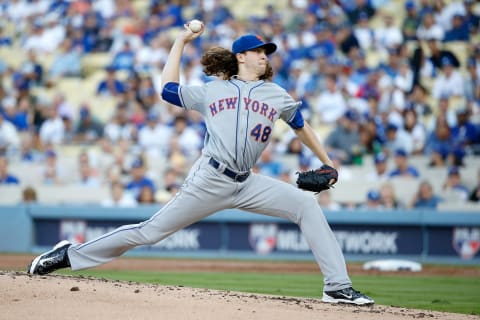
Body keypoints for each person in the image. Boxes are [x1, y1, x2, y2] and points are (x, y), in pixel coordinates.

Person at [27, 27, 374, 305]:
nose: (265, 56)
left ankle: (337, 287)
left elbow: (302, 126)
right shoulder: (214, 90)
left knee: (305, 206)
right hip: (210, 179)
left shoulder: (277, 94)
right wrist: (179, 41)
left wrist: (327, 163)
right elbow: (168, 89)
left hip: (247, 182)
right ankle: (68, 255)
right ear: (241, 57)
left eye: (267, 52)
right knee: (150, 232)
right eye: (259, 51)